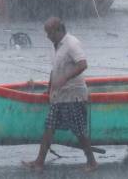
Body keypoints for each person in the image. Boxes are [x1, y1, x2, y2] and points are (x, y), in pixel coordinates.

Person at [23, 17, 97, 172]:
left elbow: (83, 64)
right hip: (59, 95)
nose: (47, 36)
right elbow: (54, 70)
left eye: (49, 32)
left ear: (58, 30)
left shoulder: (72, 43)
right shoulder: (55, 46)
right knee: (49, 128)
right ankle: (39, 162)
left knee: (79, 130)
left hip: (73, 95)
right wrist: (50, 88)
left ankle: (92, 162)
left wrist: (65, 78)